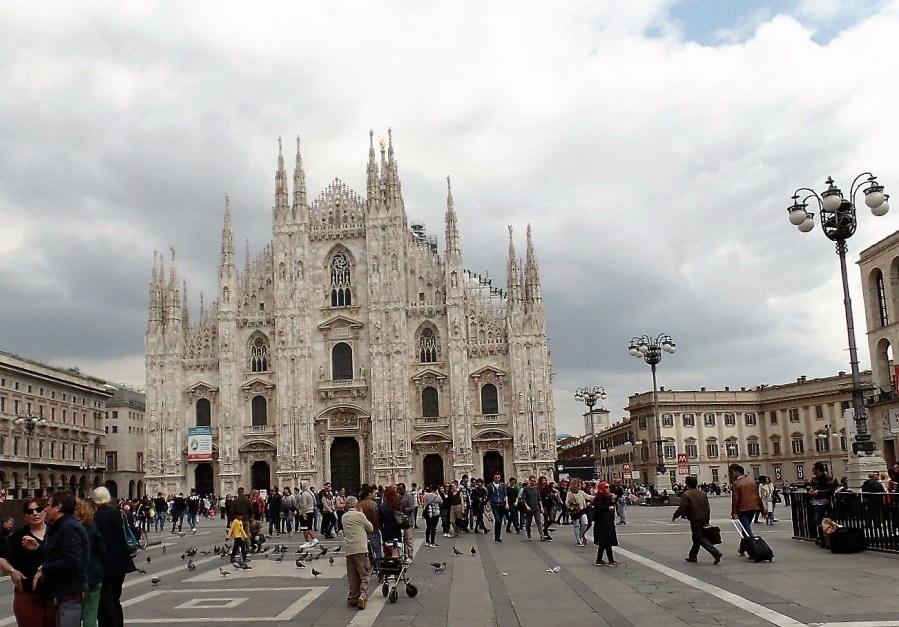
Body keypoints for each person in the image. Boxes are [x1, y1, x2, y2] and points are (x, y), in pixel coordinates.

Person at [34, 490, 90, 627]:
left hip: (67, 593)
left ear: (58, 507)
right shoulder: (61, 526)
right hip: (61, 592)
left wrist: (44, 569)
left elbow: (72, 560)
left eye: (48, 505)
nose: (45, 509)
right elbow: (58, 554)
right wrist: (39, 547)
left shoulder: (68, 527)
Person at [92, 486, 138, 627]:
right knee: (115, 598)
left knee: (106, 600)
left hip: (104, 564)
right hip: (121, 563)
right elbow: (134, 533)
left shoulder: (94, 518)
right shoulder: (121, 514)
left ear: (94, 502)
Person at [0, 498, 49, 626]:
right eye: (30, 511)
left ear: (45, 511)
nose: (35, 514)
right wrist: (12, 571)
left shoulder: (56, 531)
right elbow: (2, 557)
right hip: (28, 593)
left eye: (38, 510)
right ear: (25, 516)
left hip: (55, 593)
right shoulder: (18, 536)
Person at [671, 476, 722, 565]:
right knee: (696, 538)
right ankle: (692, 556)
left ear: (687, 484)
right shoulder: (702, 493)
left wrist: (675, 515)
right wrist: (707, 519)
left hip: (695, 519)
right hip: (704, 517)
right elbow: (707, 507)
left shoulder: (687, 494)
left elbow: (683, 507)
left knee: (699, 538)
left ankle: (715, 553)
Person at [75, 498, 105, 627]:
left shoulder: (66, 527)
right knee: (91, 612)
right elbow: (102, 549)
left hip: (74, 575)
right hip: (93, 572)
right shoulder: (91, 526)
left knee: (71, 611)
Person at [342, 496, 373, 610]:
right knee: (364, 574)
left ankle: (352, 598)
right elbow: (370, 528)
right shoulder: (359, 515)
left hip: (349, 549)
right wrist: (362, 514)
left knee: (352, 575)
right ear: (356, 505)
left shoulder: (344, 517)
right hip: (360, 548)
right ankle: (363, 595)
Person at [729, 464, 765, 551]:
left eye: (734, 472)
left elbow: (735, 498)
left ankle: (755, 549)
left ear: (736, 472)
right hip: (754, 508)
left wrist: (734, 511)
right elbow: (758, 496)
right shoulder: (752, 482)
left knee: (747, 530)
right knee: (745, 528)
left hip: (742, 509)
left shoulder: (736, 483)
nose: (733, 474)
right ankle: (742, 549)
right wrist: (762, 509)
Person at [592, 481, 619, 567]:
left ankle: (599, 559)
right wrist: (608, 507)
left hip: (606, 520)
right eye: (606, 487)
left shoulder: (606, 495)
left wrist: (613, 500)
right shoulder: (600, 496)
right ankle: (611, 561)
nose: (608, 489)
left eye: (608, 487)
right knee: (608, 541)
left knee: (603, 542)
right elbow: (598, 507)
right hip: (603, 521)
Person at [808, 461, 834, 546]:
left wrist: (819, 492)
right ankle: (821, 538)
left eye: (813, 469)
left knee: (822, 520)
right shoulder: (816, 478)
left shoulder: (826, 477)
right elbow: (814, 486)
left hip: (824, 502)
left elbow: (831, 490)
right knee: (818, 521)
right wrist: (812, 490)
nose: (812, 471)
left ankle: (825, 539)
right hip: (817, 501)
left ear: (818, 469)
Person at [359, 485, 383, 560]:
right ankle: (379, 567)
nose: (375, 495)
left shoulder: (360, 504)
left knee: (367, 552)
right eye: (374, 493)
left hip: (363, 532)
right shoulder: (373, 504)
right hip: (373, 531)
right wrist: (380, 527)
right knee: (377, 551)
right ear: (369, 494)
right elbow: (376, 517)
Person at [518, 475, 545, 541]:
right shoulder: (526, 489)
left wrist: (541, 507)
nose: (534, 482)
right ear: (529, 481)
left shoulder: (536, 488)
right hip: (529, 509)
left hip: (536, 507)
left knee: (538, 521)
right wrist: (526, 506)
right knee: (528, 523)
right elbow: (523, 499)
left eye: (535, 481)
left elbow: (539, 498)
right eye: (532, 481)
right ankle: (529, 535)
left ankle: (542, 535)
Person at [566, 478, 591, 546]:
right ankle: (578, 539)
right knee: (576, 525)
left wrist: (596, 496)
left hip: (582, 510)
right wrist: (572, 506)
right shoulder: (570, 493)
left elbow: (588, 497)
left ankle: (581, 535)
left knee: (585, 523)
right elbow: (567, 503)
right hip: (574, 510)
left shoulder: (581, 492)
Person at [486, 472, 509, 544]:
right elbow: (488, 496)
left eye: (498, 477)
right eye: (496, 477)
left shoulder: (503, 485)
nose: (497, 479)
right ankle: (496, 537)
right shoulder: (490, 486)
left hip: (501, 504)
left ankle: (498, 537)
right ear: (493, 478)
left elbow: (505, 495)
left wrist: (507, 504)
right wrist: (488, 506)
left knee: (500, 521)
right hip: (494, 504)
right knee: (498, 519)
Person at [397, 483, 416, 561]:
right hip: (400, 521)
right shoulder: (398, 497)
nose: (399, 491)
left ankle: (410, 556)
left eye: (400, 489)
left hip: (408, 521)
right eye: (398, 489)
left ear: (404, 489)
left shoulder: (408, 496)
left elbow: (412, 508)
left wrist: (404, 509)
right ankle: (404, 555)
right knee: (403, 540)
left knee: (409, 539)